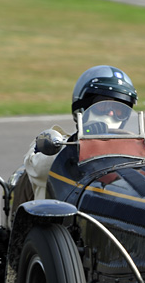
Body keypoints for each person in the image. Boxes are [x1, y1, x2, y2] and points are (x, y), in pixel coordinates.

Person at [16, 65, 138, 203]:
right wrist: (81, 142)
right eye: (103, 106)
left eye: (119, 110)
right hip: (58, 219)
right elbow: (38, 168)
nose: (111, 113)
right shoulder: (57, 142)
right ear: (82, 105)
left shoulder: (131, 148)